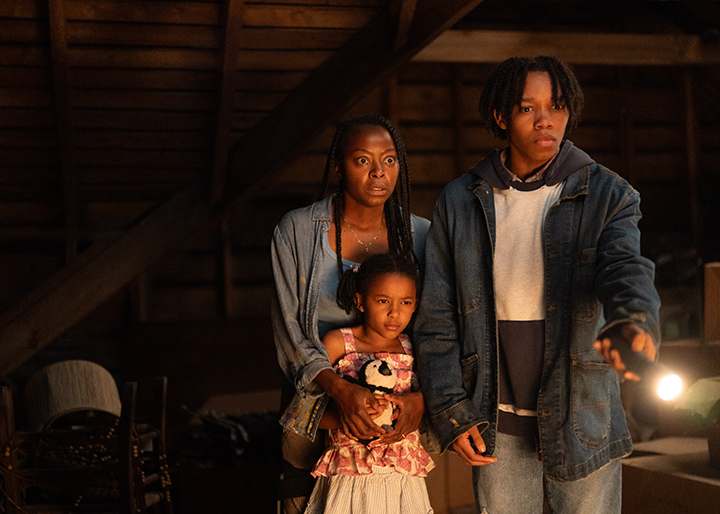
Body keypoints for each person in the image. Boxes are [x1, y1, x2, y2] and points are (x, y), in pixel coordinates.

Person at [413, 56, 661, 514]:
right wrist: (451, 409)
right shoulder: (460, 201)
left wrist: (634, 317)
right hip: (493, 421)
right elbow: (437, 318)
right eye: (528, 108)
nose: (546, 120)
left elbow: (625, 267)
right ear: (500, 116)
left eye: (557, 106)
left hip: (581, 414)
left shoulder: (608, 194)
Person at [271, 113, 431, 513]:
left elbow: (441, 331)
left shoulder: (423, 237)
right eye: (363, 160)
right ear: (339, 167)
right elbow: (289, 333)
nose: (379, 172)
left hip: (395, 424)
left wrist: (422, 401)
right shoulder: (297, 232)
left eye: (390, 160)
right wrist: (342, 392)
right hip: (318, 411)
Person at [305, 253, 434, 514]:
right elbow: (307, 415)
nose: (394, 313)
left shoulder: (414, 349)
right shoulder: (338, 343)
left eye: (405, 302)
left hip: (402, 479)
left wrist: (403, 415)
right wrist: (352, 415)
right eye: (383, 301)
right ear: (360, 301)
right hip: (350, 478)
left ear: (415, 305)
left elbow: (427, 409)